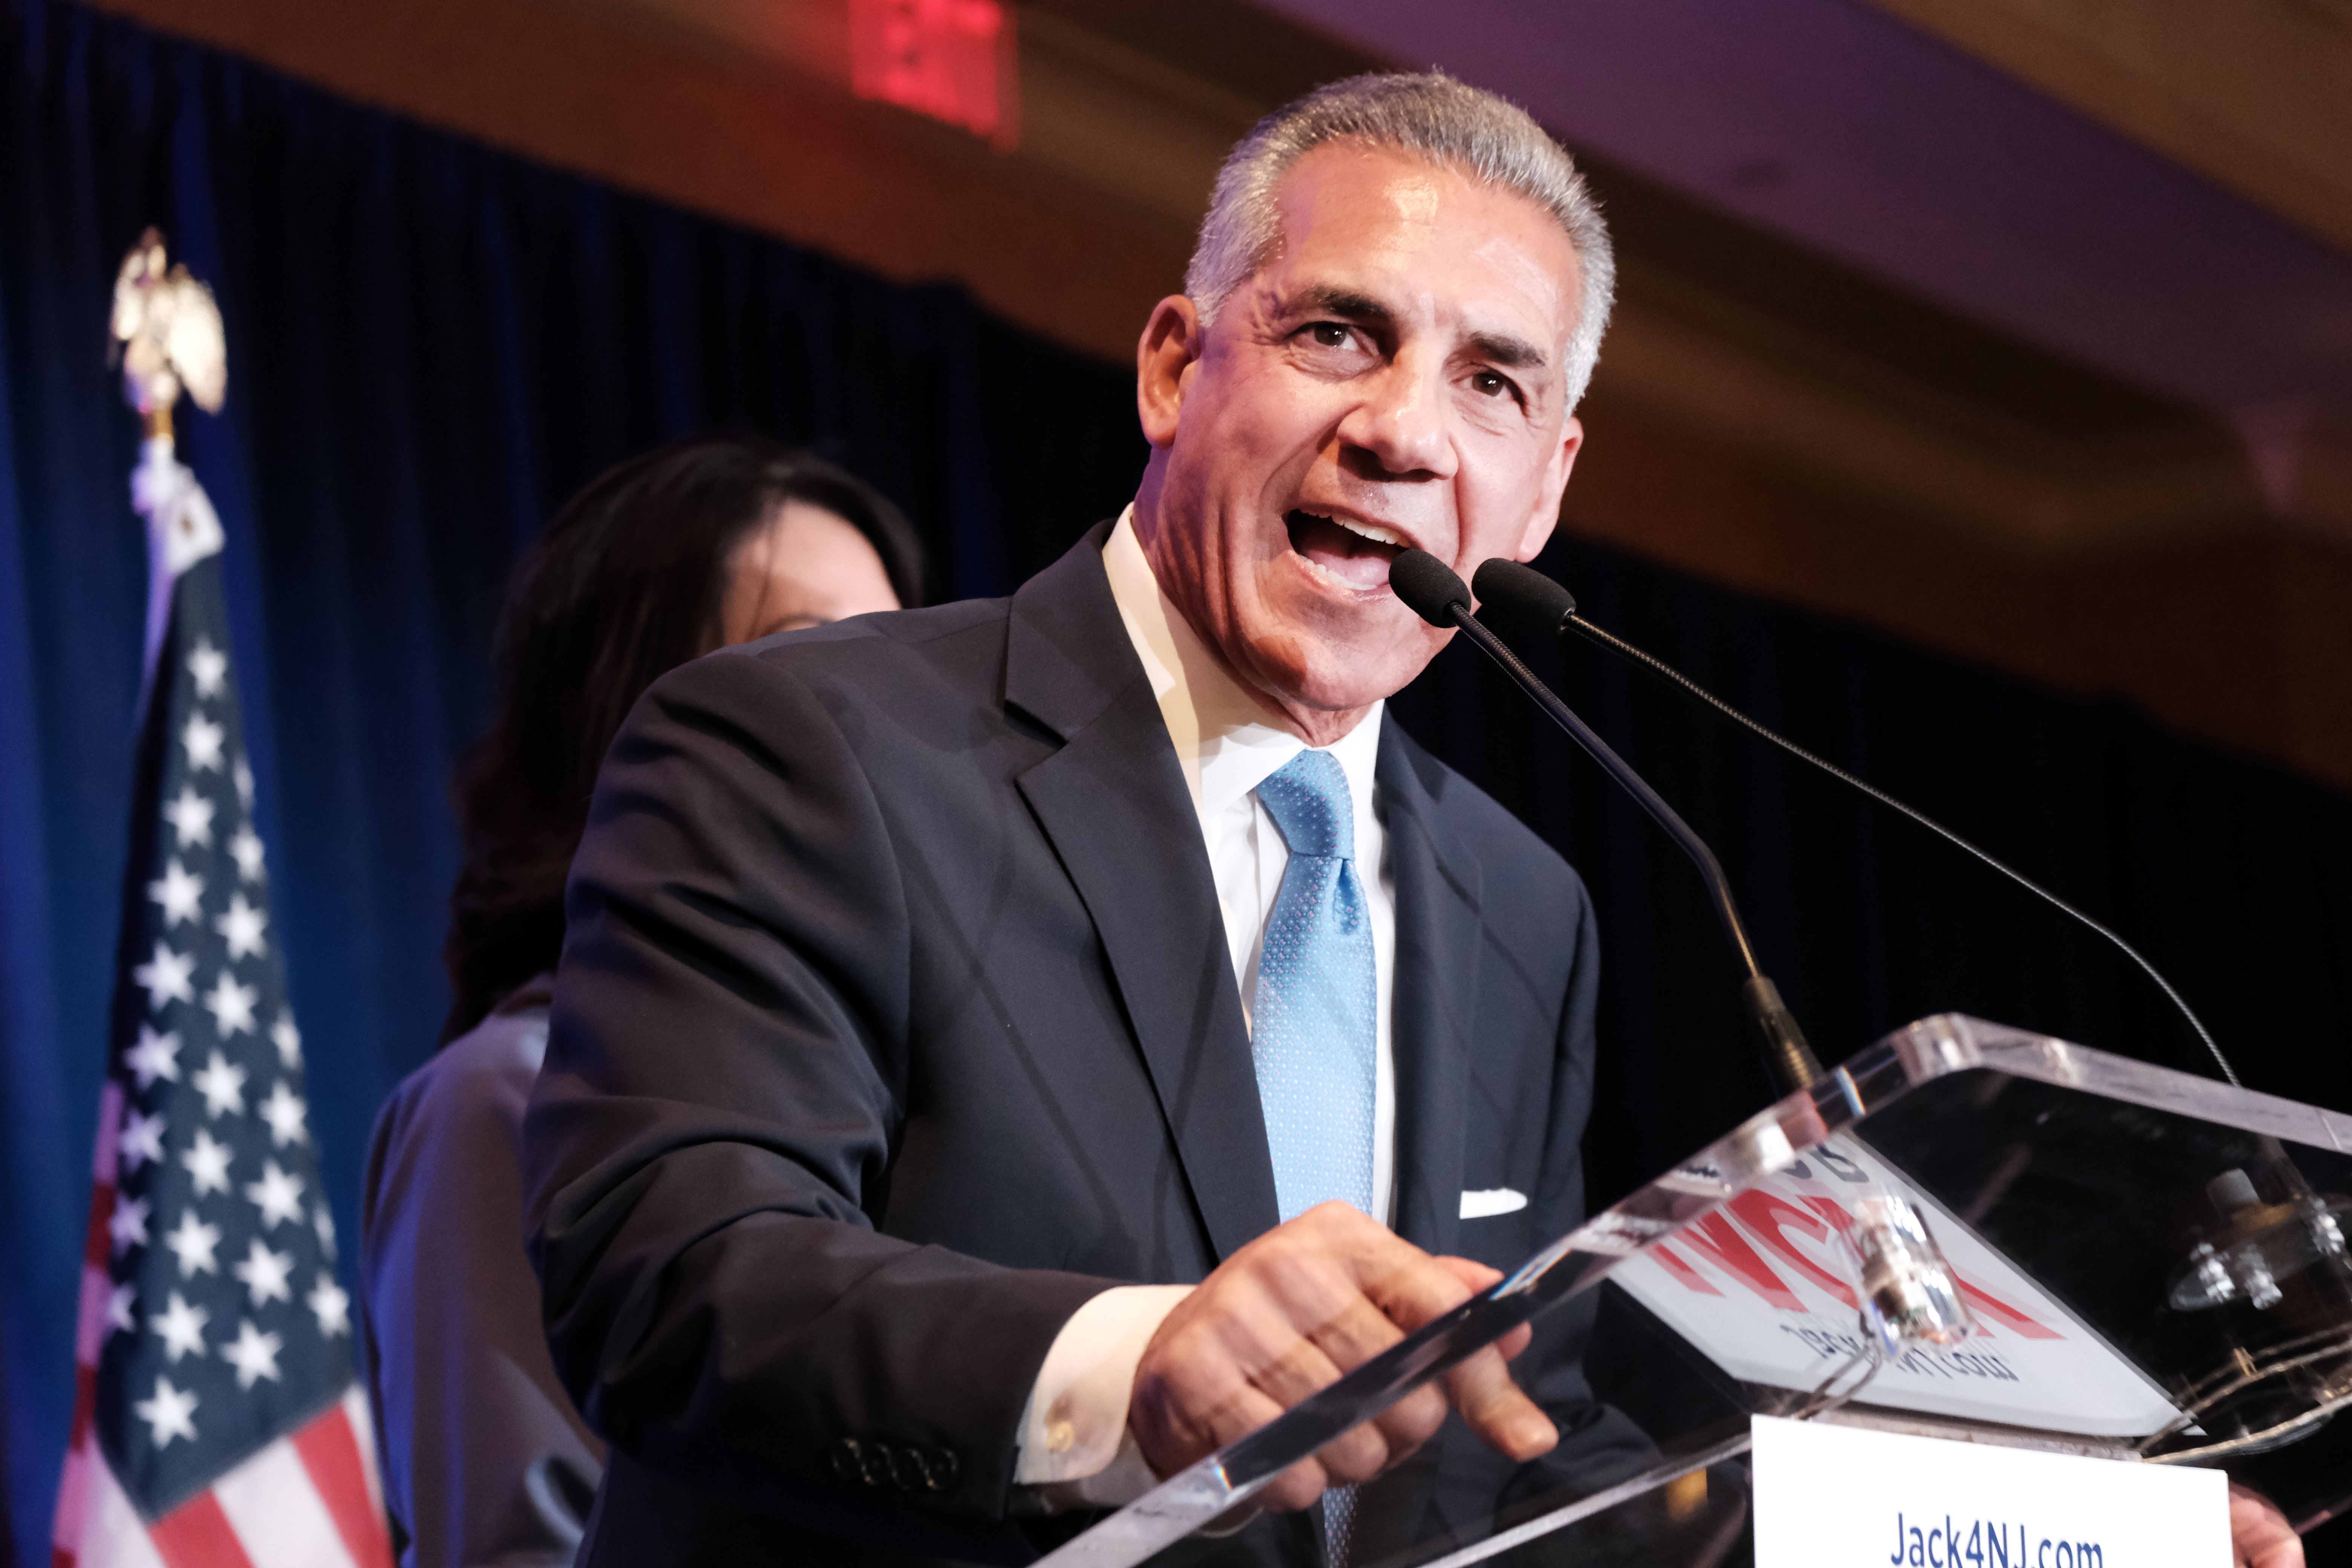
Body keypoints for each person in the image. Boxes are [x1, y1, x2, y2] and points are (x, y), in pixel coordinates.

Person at [522, 74, 2309, 1568]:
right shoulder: (811, 741)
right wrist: (1131, 1362)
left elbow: (1515, 1442)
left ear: (1542, 489)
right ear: (1171, 369)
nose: (1400, 430)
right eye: (1335, 333)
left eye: (1493, 383)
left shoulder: (1520, 903)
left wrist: (2029, 1539)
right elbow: (671, 1273)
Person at [360, 437, 923, 1568]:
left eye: (898, 663)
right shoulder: (507, 1099)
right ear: (638, 722)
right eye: (812, 658)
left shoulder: (926, 1094)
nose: (880, 714)